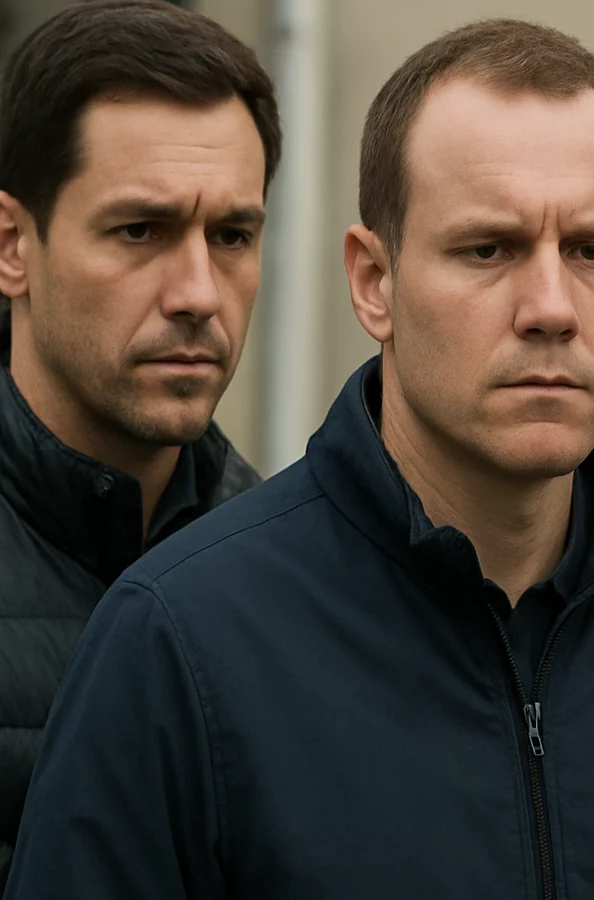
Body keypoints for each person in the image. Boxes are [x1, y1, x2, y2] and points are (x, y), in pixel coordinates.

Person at [4, 19, 594, 900]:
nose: (552, 306)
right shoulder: (180, 639)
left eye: (591, 252)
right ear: (373, 282)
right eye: (488, 249)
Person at [0, 0, 279, 885]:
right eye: (140, 231)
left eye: (231, 235)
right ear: (12, 245)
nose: (198, 292)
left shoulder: (305, 574)